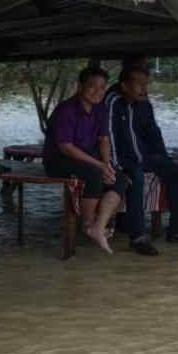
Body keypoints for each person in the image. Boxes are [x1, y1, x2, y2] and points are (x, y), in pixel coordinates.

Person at [105, 67, 178, 255]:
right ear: (124, 85)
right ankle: (137, 237)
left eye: (145, 84)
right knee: (136, 178)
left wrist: (164, 158)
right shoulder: (114, 102)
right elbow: (108, 137)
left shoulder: (143, 103)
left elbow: (154, 133)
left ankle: (177, 230)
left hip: (143, 157)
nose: (144, 89)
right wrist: (114, 165)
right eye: (139, 84)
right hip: (123, 159)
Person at [43, 66, 128, 254]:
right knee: (95, 173)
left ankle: (99, 226)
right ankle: (87, 224)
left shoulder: (101, 109)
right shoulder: (66, 109)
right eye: (92, 86)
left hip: (87, 159)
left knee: (119, 178)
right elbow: (66, 147)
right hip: (59, 160)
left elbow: (104, 139)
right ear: (80, 86)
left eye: (102, 87)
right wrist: (99, 165)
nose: (98, 92)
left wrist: (107, 163)